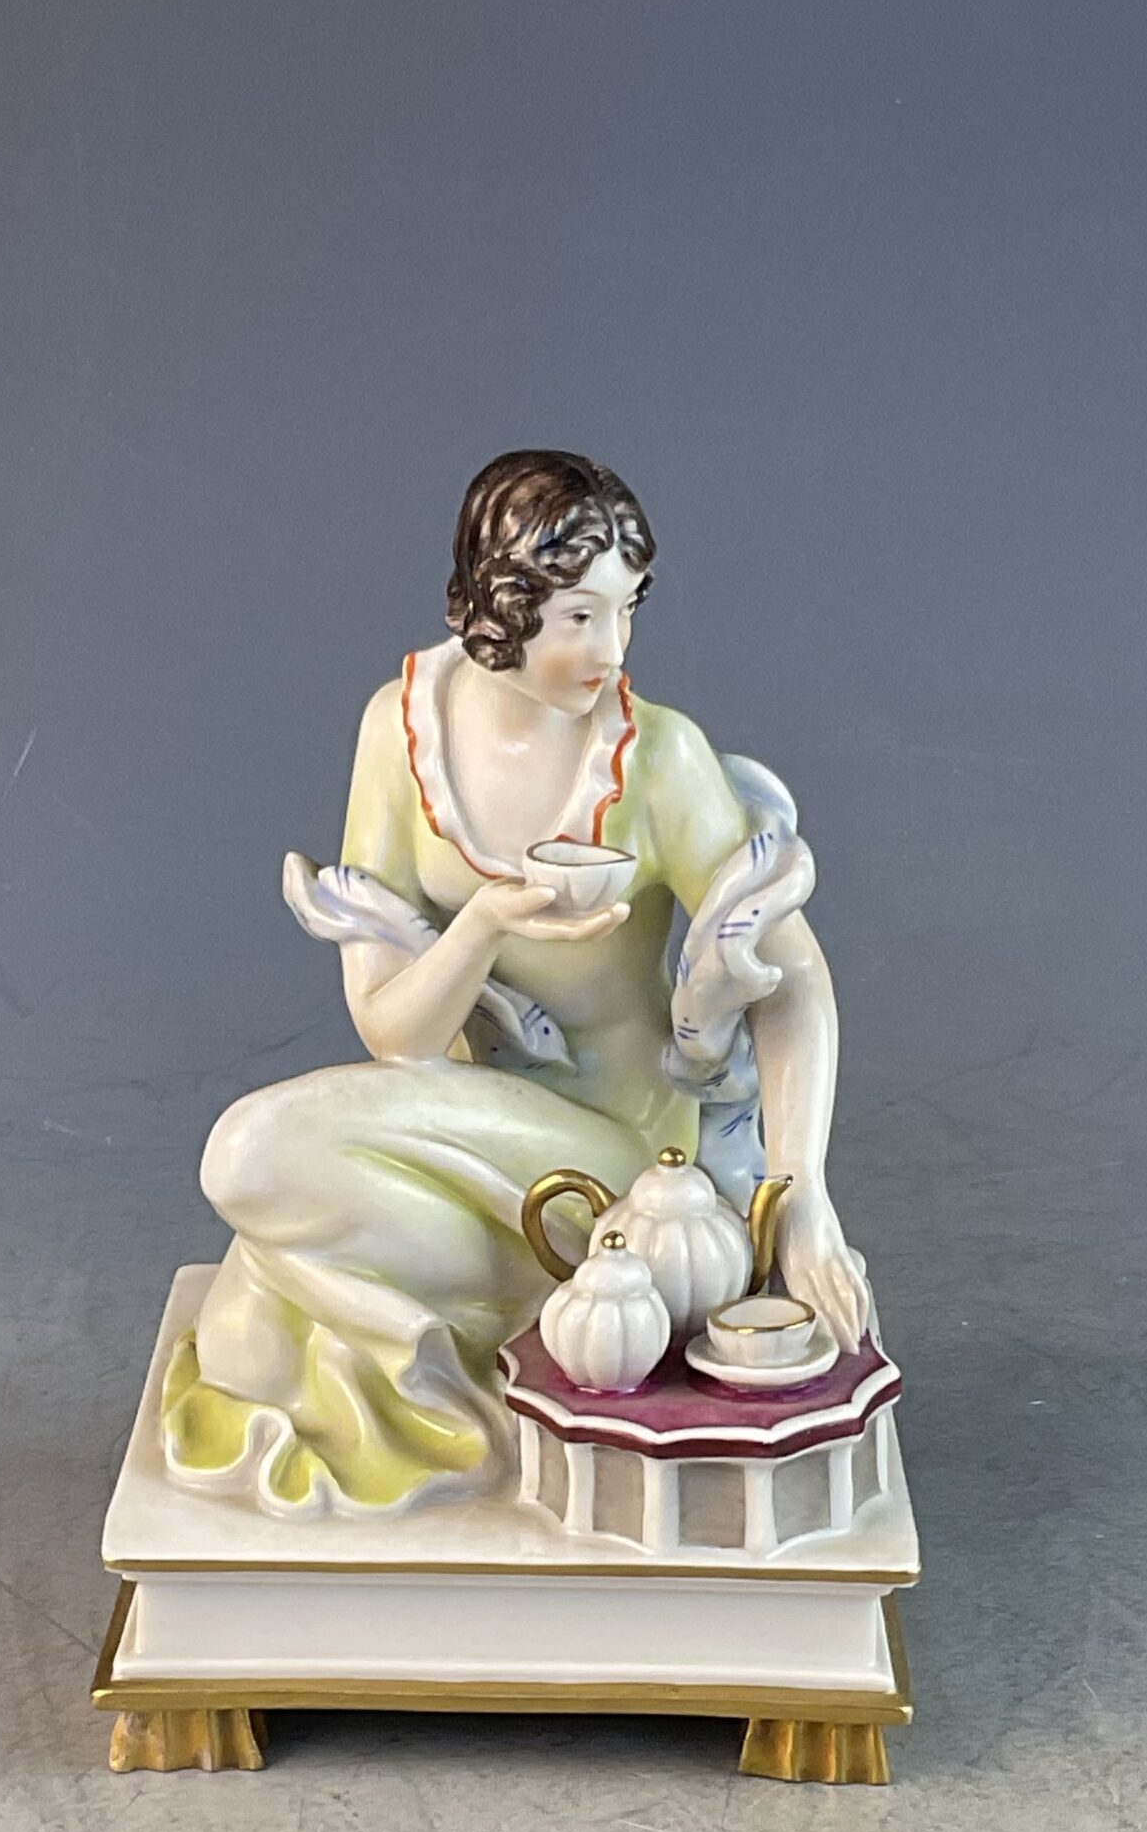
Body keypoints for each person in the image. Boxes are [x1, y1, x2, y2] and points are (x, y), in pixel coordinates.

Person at [162, 451, 869, 1515]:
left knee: (252, 1166)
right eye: (579, 616)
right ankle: (515, 1316)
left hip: (624, 1171)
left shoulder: (657, 757)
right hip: (462, 1127)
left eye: (626, 610)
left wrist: (799, 1191)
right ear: (502, 605)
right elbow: (397, 1036)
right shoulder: (399, 734)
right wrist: (486, 921)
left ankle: (546, 1297)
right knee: (247, 1320)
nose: (610, 650)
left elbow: (792, 974)